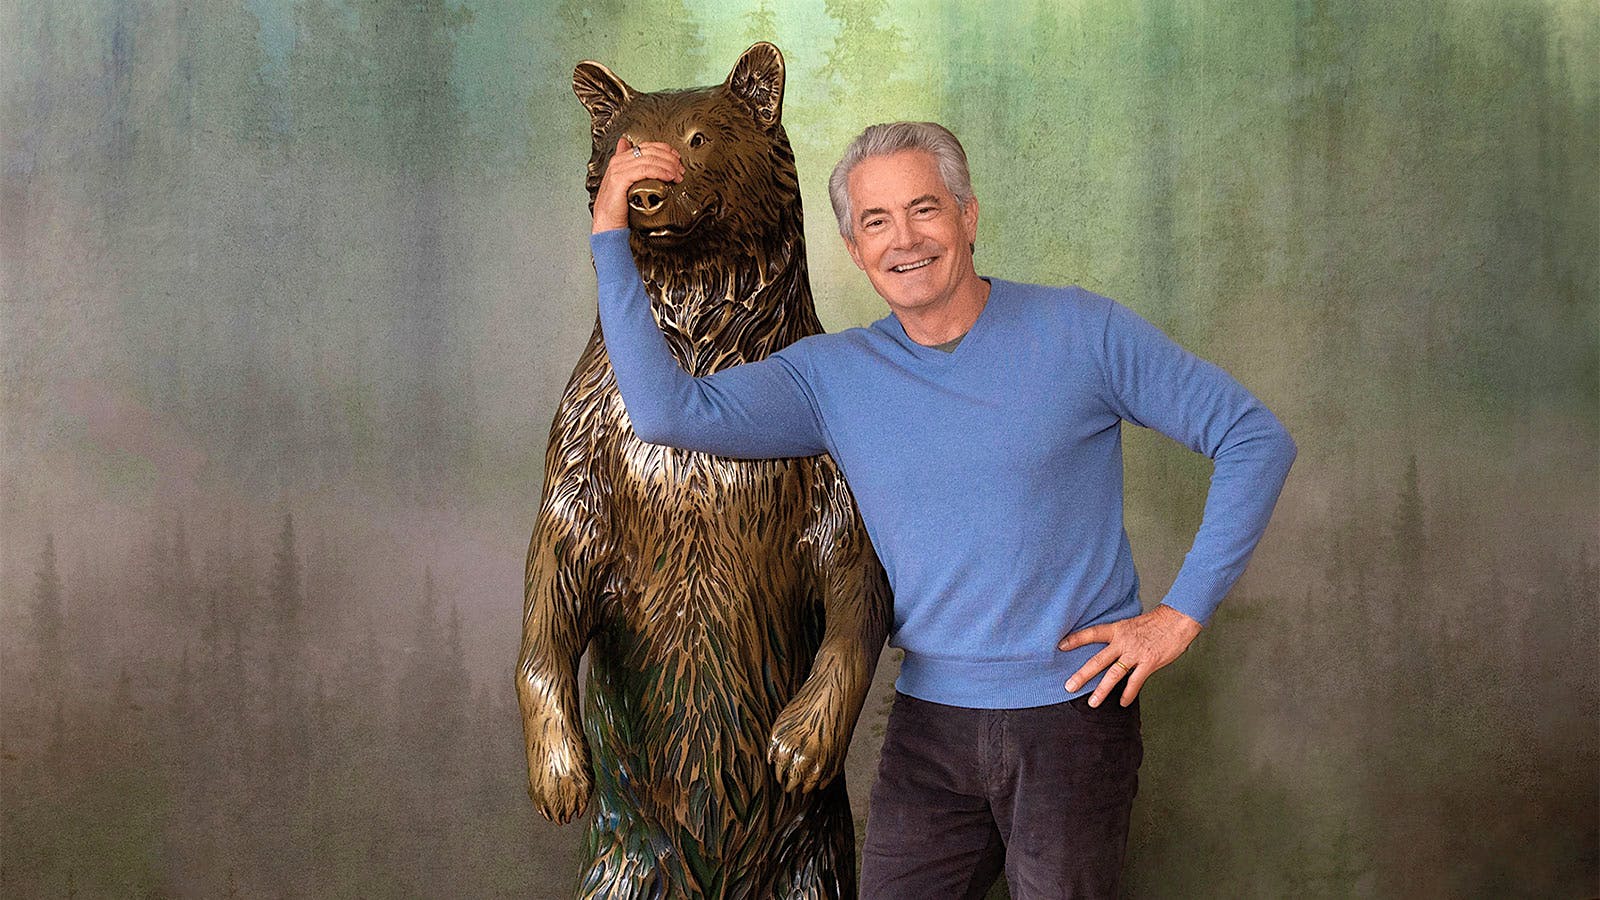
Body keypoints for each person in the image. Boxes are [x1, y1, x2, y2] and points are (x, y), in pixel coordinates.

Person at [586, 122, 1296, 898]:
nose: (904, 240)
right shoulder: (831, 376)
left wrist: (1178, 615)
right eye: (875, 222)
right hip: (928, 725)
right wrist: (610, 232)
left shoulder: (1081, 331)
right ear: (855, 249)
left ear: (968, 216)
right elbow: (665, 412)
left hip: (1073, 720)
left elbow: (1253, 437)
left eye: (924, 209)